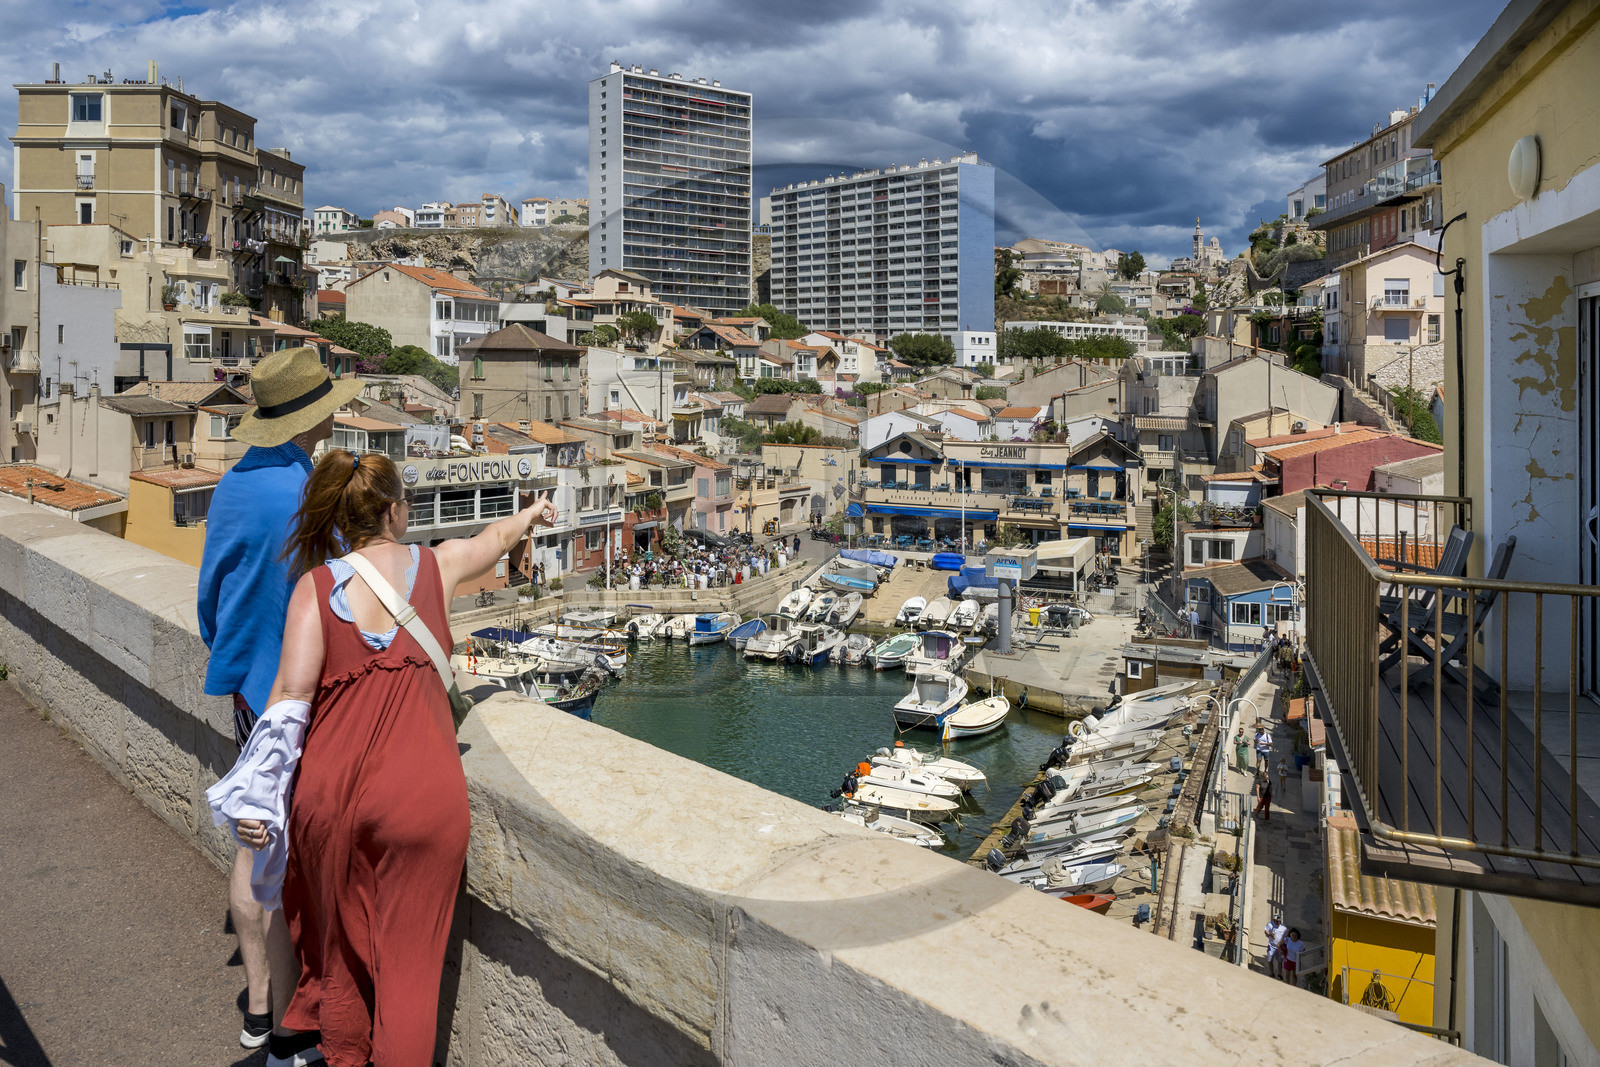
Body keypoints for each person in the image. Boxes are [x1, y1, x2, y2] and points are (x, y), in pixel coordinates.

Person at [230, 452, 559, 1067]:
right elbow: (494, 539)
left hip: (328, 800)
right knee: (407, 980)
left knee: (342, 963)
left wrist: (256, 800)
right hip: (418, 796)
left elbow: (288, 702)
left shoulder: (317, 588)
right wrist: (534, 512)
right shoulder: (435, 567)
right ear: (393, 511)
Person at [197, 346, 362, 1063]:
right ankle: (298, 1023)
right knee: (302, 861)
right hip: (298, 698)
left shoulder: (230, 485)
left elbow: (209, 600)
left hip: (245, 693)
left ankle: (258, 1007)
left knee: (255, 843)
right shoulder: (310, 488)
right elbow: (341, 592)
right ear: (314, 414)